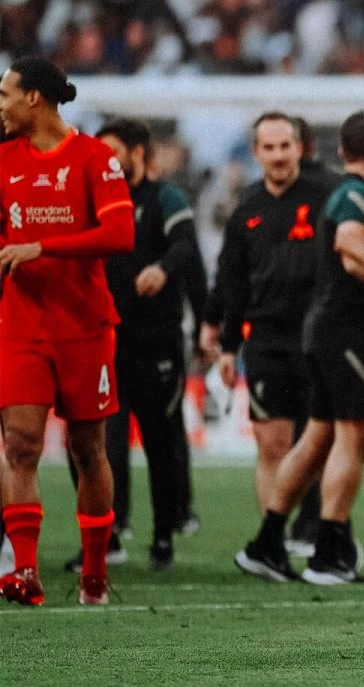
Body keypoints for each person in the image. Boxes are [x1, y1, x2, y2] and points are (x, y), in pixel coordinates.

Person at [234, 111, 364, 584]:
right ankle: (328, 551)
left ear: (342, 150)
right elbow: (352, 249)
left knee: (317, 439)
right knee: (353, 439)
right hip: (348, 333)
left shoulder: (344, 193)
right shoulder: (355, 195)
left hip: (323, 331)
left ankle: (267, 541)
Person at [0, 57, 135, 606]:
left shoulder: (96, 158)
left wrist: (41, 245)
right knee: (22, 446)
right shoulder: (3, 160)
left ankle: (95, 574)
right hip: (21, 327)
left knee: (87, 449)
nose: (1, 105)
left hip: (84, 327)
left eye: (6, 94)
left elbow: (121, 233)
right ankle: (25, 574)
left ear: (34, 98)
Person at [78, 118, 206, 573]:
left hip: (156, 343)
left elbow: (187, 248)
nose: (104, 159)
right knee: (98, 444)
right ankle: (105, 535)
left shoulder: (163, 197)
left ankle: (163, 537)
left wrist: (163, 270)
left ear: (136, 153)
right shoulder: (95, 200)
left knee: (158, 441)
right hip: (102, 340)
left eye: (112, 150)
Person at [201, 113, 331, 522]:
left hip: (316, 339)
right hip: (265, 342)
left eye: (284, 146)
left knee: (318, 442)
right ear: (256, 153)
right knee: (271, 446)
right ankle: (273, 537)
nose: (277, 156)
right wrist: (227, 347)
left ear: (298, 147)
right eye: (269, 148)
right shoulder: (247, 207)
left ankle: (315, 530)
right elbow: (232, 278)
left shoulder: (326, 197)